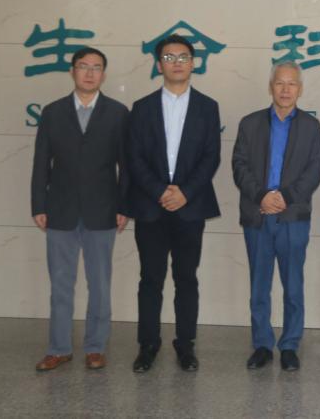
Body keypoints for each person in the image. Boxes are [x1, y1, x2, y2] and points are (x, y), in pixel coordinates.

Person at [127, 34, 221, 373]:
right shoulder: (142, 107)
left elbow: (211, 157)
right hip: (151, 207)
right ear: (158, 64)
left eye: (183, 57)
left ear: (193, 63)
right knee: (150, 278)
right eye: (169, 57)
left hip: (190, 207)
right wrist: (160, 191)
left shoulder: (208, 107)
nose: (177, 63)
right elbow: (134, 157)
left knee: (186, 278)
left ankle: (185, 345)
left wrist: (185, 192)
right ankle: (148, 345)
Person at [31, 47, 129, 371]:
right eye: (83, 66)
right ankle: (58, 348)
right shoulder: (53, 112)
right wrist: (38, 204)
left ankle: (95, 346)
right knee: (60, 283)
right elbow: (41, 162)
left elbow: (126, 165)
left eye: (96, 67)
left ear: (104, 74)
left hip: (103, 209)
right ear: (72, 71)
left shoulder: (118, 113)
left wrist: (124, 206)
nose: (89, 73)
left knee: (99, 284)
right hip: (59, 209)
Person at [232, 61, 320, 372]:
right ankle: (262, 344)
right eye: (280, 83)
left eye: (292, 84)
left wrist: (284, 197)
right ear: (271, 87)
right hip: (258, 214)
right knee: (259, 285)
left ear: (300, 89)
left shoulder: (311, 127)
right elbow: (239, 166)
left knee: (293, 285)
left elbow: (314, 170)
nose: (285, 90)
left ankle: (289, 345)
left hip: (292, 216)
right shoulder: (250, 124)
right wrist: (262, 196)